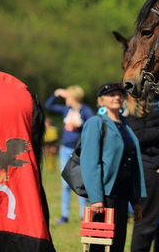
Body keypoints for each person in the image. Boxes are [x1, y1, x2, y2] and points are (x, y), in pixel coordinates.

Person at [80, 83, 146, 252]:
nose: (116, 97)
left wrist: (136, 200)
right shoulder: (96, 123)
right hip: (105, 197)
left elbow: (132, 163)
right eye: (111, 94)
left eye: (119, 94)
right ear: (100, 101)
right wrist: (96, 197)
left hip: (123, 196)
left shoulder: (125, 125)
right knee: (100, 245)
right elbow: (90, 162)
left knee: (117, 245)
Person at [126, 97, 159, 252]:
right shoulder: (132, 114)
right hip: (149, 170)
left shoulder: (157, 107)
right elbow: (138, 135)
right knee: (147, 222)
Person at [44, 85, 94, 224]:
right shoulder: (67, 109)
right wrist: (56, 93)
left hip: (79, 151)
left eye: (68, 97)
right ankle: (64, 215)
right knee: (65, 184)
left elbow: (92, 126)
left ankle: (83, 214)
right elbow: (48, 106)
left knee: (79, 183)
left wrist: (81, 124)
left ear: (75, 98)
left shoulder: (86, 110)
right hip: (65, 150)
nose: (66, 99)